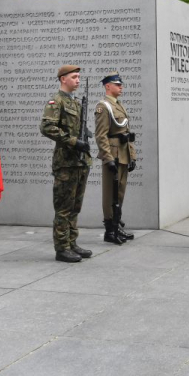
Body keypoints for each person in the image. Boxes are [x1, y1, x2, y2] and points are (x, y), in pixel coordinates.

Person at [40, 65, 93, 263]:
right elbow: (46, 127)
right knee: (63, 208)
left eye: (79, 77)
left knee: (75, 207)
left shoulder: (76, 103)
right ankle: (62, 248)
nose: (78, 80)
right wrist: (73, 141)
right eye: (74, 77)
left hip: (80, 162)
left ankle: (72, 243)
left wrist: (84, 140)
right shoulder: (57, 101)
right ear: (63, 79)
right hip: (66, 163)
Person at [94, 72, 137, 245]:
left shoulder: (119, 105)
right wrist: (107, 158)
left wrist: (132, 155)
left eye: (121, 84)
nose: (121, 87)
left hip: (123, 153)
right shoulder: (103, 107)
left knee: (119, 192)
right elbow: (101, 135)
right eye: (117, 84)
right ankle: (109, 230)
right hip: (113, 155)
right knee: (109, 193)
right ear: (107, 86)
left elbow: (127, 133)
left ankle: (116, 225)